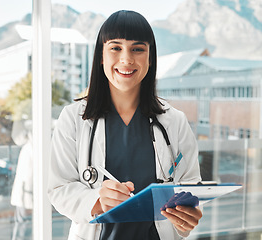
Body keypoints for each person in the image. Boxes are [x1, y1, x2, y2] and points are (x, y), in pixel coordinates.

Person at [48, 10, 202, 240]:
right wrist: (98, 201)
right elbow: (59, 188)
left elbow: (191, 187)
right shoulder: (73, 119)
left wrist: (189, 216)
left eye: (138, 49)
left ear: (150, 58)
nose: (127, 59)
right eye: (115, 48)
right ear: (101, 56)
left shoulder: (175, 121)